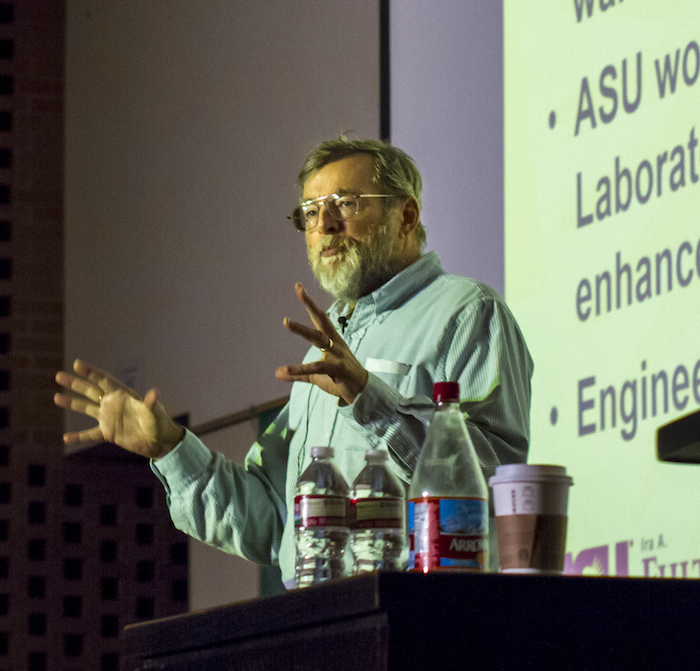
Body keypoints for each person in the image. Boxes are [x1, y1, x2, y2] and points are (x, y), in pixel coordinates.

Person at [54, 138, 533, 585]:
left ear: (405, 215)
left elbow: (495, 489)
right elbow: (271, 523)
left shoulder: (467, 313)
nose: (324, 225)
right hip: (317, 622)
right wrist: (171, 449)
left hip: (422, 620)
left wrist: (368, 399)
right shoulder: (318, 357)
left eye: (346, 204)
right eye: (310, 211)